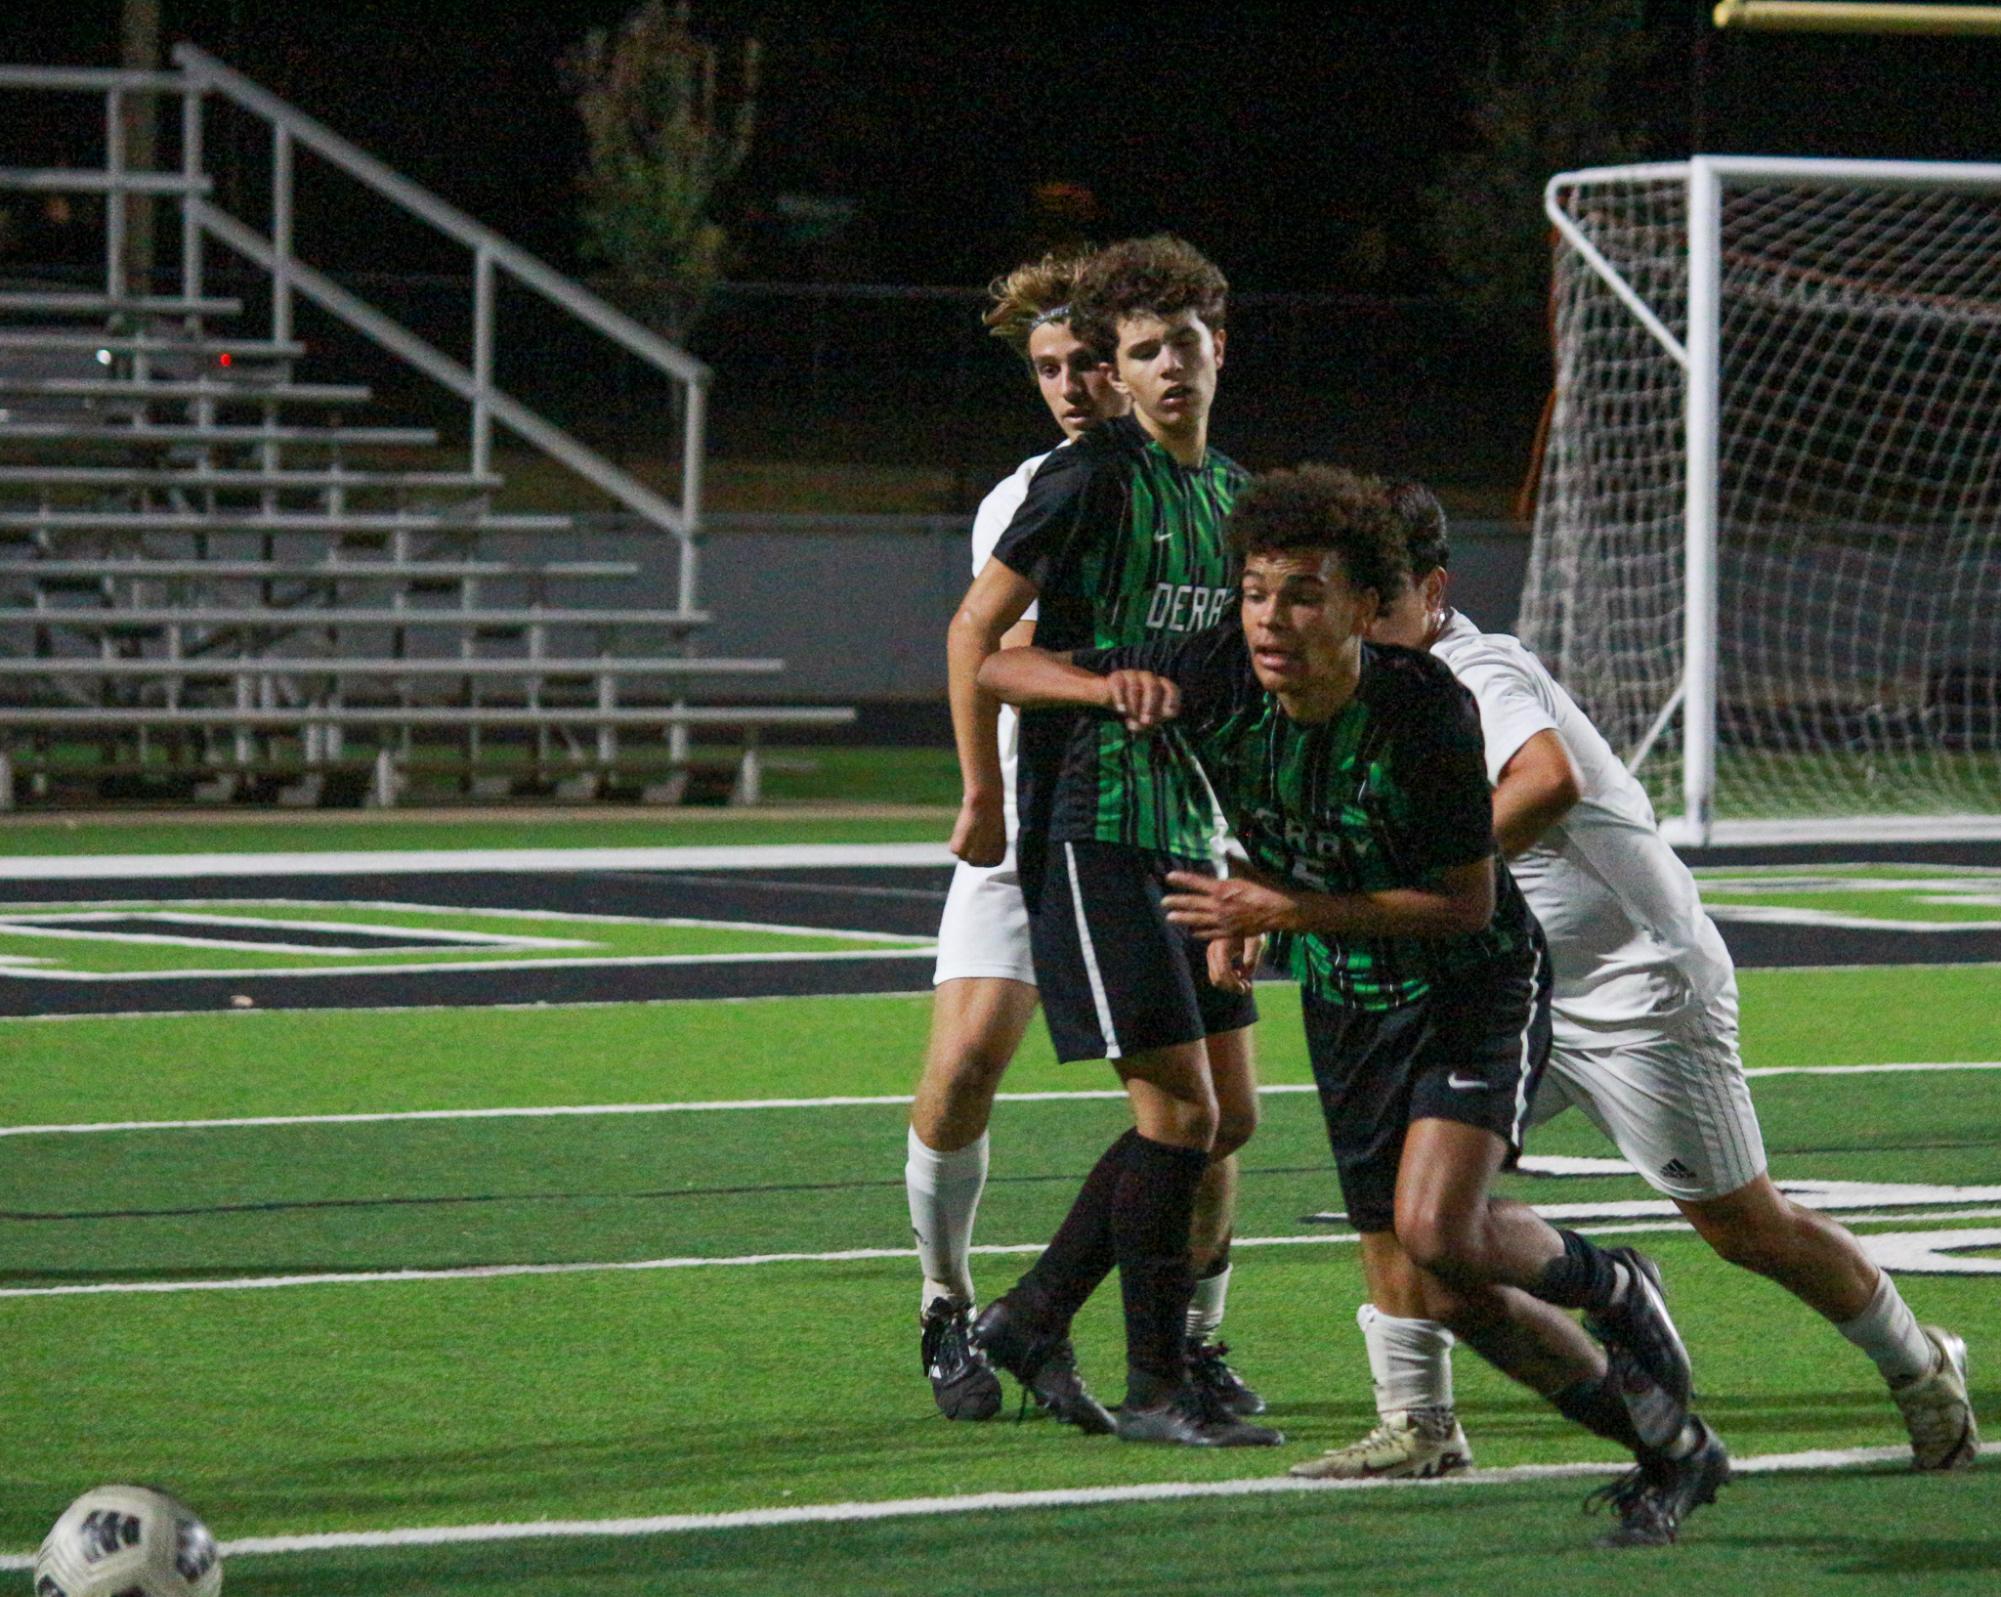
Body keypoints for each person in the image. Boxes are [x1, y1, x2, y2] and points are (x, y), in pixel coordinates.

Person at [980, 465, 1729, 1546]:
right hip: (1346, 1004)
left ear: (1364, 609)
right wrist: (1109, 690)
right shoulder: (1215, 671)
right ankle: (1668, 1445)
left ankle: (1605, 1283)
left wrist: (1279, 903)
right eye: (1253, 591)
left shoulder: (1424, 707)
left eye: (1301, 593)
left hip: (1469, 992)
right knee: (1447, 1288)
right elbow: (1002, 660)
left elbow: (1463, 904)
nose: (1270, 618)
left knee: (1438, 1230)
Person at [1301, 480, 1978, 1481]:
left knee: (1744, 1224)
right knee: (1401, 1193)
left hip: (1633, 990)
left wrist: (1420, 875)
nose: (1359, 625)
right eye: (1345, 600)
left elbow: (1543, 780)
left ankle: (1922, 1368)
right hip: (1507, 991)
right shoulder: (1362, 683)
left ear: (1434, 592)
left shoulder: (1473, 669)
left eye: (1381, 603)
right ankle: (1418, 1419)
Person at [945, 236, 1272, 1446]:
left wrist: (1255, 865)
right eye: (1143, 351)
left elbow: (1238, 689)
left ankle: (1029, 1319)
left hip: (1195, 835)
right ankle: (1155, 1385)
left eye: (1184, 342)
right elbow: (985, 644)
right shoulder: (1090, 481)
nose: (1167, 366)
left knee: (1227, 1115)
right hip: (1098, 827)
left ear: (1218, 347)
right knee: (1177, 1114)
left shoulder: (1236, 496)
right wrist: (1095, 689)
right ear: (1120, 375)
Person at [910, 249, 1132, 1421]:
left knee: (1201, 1105)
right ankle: (946, 1302)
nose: (1068, 384)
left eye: (1088, 359)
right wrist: (980, 795)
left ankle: (1193, 1335)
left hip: (1152, 823)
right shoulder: (1031, 494)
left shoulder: (1197, 485)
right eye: (1048, 366)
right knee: (960, 1069)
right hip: (1035, 817)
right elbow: (998, 648)